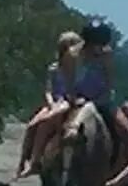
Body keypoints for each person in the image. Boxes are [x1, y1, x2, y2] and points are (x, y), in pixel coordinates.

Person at [16, 30, 83, 178]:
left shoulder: (77, 70)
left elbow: (75, 89)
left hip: (68, 101)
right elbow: (48, 90)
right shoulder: (54, 68)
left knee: (46, 122)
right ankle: (23, 162)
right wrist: (51, 103)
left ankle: (35, 162)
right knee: (32, 125)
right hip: (55, 102)